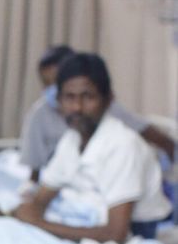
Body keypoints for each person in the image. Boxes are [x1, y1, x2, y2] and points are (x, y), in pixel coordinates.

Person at [0, 51, 171, 243]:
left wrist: (39, 224)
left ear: (108, 99)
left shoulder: (123, 145)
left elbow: (116, 235)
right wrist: (8, 214)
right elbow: (40, 200)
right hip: (92, 225)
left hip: (137, 236)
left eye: (88, 97)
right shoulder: (71, 140)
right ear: (59, 101)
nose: (77, 107)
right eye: (69, 97)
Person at [20, 45, 174, 181]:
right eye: (47, 84)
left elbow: (154, 136)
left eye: (86, 96)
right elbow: (40, 177)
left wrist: (168, 164)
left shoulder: (122, 142)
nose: (77, 107)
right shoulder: (67, 139)